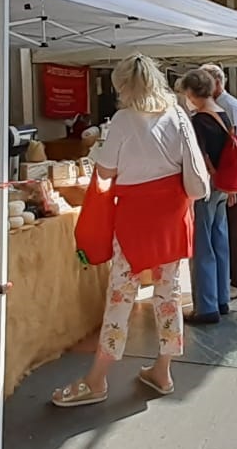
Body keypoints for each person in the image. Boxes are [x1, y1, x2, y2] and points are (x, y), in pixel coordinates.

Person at [51, 55, 206, 406]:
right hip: (174, 216)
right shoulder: (177, 113)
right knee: (169, 293)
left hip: (136, 219)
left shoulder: (123, 120)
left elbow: (105, 172)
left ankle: (97, 380)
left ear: (123, 86)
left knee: (121, 296)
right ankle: (163, 370)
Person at [181, 69, 232, 325]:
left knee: (202, 245)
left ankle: (206, 306)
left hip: (205, 186)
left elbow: (194, 157)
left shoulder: (197, 120)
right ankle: (222, 298)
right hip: (223, 184)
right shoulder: (224, 113)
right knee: (220, 239)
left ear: (190, 93)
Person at [200, 64, 237, 300]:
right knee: (228, 228)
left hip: (229, 176)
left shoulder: (228, 105)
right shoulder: (223, 105)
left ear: (217, 82)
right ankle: (233, 278)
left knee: (233, 229)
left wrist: (232, 184)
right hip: (225, 176)